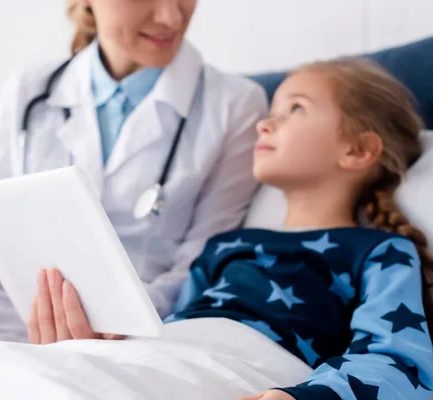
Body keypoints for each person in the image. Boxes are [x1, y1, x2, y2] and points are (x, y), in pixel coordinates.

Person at [0, 0, 266, 361]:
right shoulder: (32, 88)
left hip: (99, 339)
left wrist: (116, 320)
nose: (172, 17)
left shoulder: (234, 105)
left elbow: (204, 261)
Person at [26, 58, 433, 399]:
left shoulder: (379, 251)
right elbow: (173, 326)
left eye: (295, 109)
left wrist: (301, 396)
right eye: (270, 112)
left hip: (248, 373)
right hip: (169, 353)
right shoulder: (226, 245)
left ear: (358, 150)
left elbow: (398, 361)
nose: (264, 125)